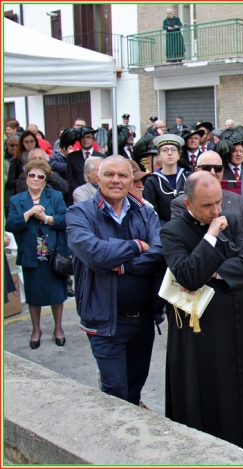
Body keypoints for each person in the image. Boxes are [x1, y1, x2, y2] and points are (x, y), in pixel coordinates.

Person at [160, 171, 243, 456]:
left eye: (218, 203)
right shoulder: (173, 231)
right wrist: (210, 237)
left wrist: (215, 271)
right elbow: (188, 275)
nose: (215, 211)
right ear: (188, 204)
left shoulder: (230, 220)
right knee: (209, 395)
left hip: (237, 324)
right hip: (201, 337)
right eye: (207, 206)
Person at [66, 155, 166, 407]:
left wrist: (120, 266)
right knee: (114, 391)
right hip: (104, 321)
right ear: (96, 176)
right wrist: (135, 245)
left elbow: (159, 253)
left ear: (131, 179)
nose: (116, 180)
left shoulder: (145, 212)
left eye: (122, 175)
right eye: (109, 174)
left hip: (143, 319)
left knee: (135, 387)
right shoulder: (79, 213)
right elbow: (95, 255)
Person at [6, 159, 69, 349]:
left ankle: (58, 328)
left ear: (45, 180)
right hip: (31, 255)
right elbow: (10, 224)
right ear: (26, 178)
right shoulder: (17, 200)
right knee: (34, 296)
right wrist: (28, 214)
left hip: (53, 254)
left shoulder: (55, 196)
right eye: (31, 175)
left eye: (40, 176)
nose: (35, 179)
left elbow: (65, 220)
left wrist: (46, 218)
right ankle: (36, 329)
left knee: (57, 294)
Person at [170, 151, 243, 252]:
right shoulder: (181, 203)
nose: (212, 173)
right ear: (196, 170)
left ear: (223, 171)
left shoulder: (238, 199)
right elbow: (185, 240)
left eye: (217, 169)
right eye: (206, 168)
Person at [143, 134, 190, 225]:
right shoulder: (152, 182)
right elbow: (152, 213)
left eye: (173, 150)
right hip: (164, 230)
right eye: (164, 150)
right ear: (159, 156)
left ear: (178, 155)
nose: (169, 153)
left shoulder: (188, 178)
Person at [65, 127, 107, 198]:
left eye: (88, 137)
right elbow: (69, 177)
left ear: (93, 139)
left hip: (98, 195)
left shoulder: (102, 157)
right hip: (77, 195)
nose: (85, 140)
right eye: (83, 137)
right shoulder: (72, 157)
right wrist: (79, 190)